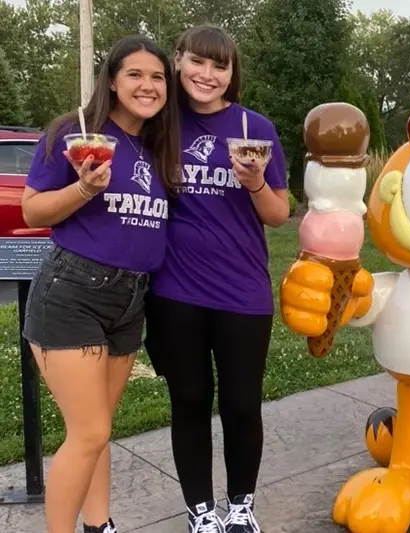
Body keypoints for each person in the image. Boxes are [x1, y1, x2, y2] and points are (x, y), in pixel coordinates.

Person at [20, 36, 181, 533]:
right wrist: (84, 187)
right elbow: (32, 209)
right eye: (135, 74)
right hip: (73, 291)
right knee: (89, 432)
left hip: (131, 299)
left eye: (157, 77)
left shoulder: (156, 146)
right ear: (112, 79)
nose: (147, 86)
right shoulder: (77, 131)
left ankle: (99, 525)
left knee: (97, 431)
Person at [143, 24, 290, 533]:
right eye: (198, 62)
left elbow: (277, 214)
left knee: (242, 403)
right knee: (188, 400)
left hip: (242, 291)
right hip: (174, 290)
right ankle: (201, 513)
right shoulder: (160, 126)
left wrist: (254, 184)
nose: (208, 74)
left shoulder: (255, 128)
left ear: (232, 73)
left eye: (220, 65)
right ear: (178, 62)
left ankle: (240, 507)